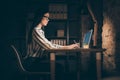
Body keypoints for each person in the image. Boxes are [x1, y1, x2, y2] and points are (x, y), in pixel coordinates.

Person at [24, 9, 79, 80]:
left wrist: (68, 46)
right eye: (47, 17)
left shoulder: (40, 31)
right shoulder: (36, 31)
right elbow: (49, 47)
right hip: (31, 63)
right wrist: (68, 47)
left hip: (35, 61)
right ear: (41, 17)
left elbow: (50, 44)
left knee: (58, 66)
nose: (48, 20)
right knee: (59, 67)